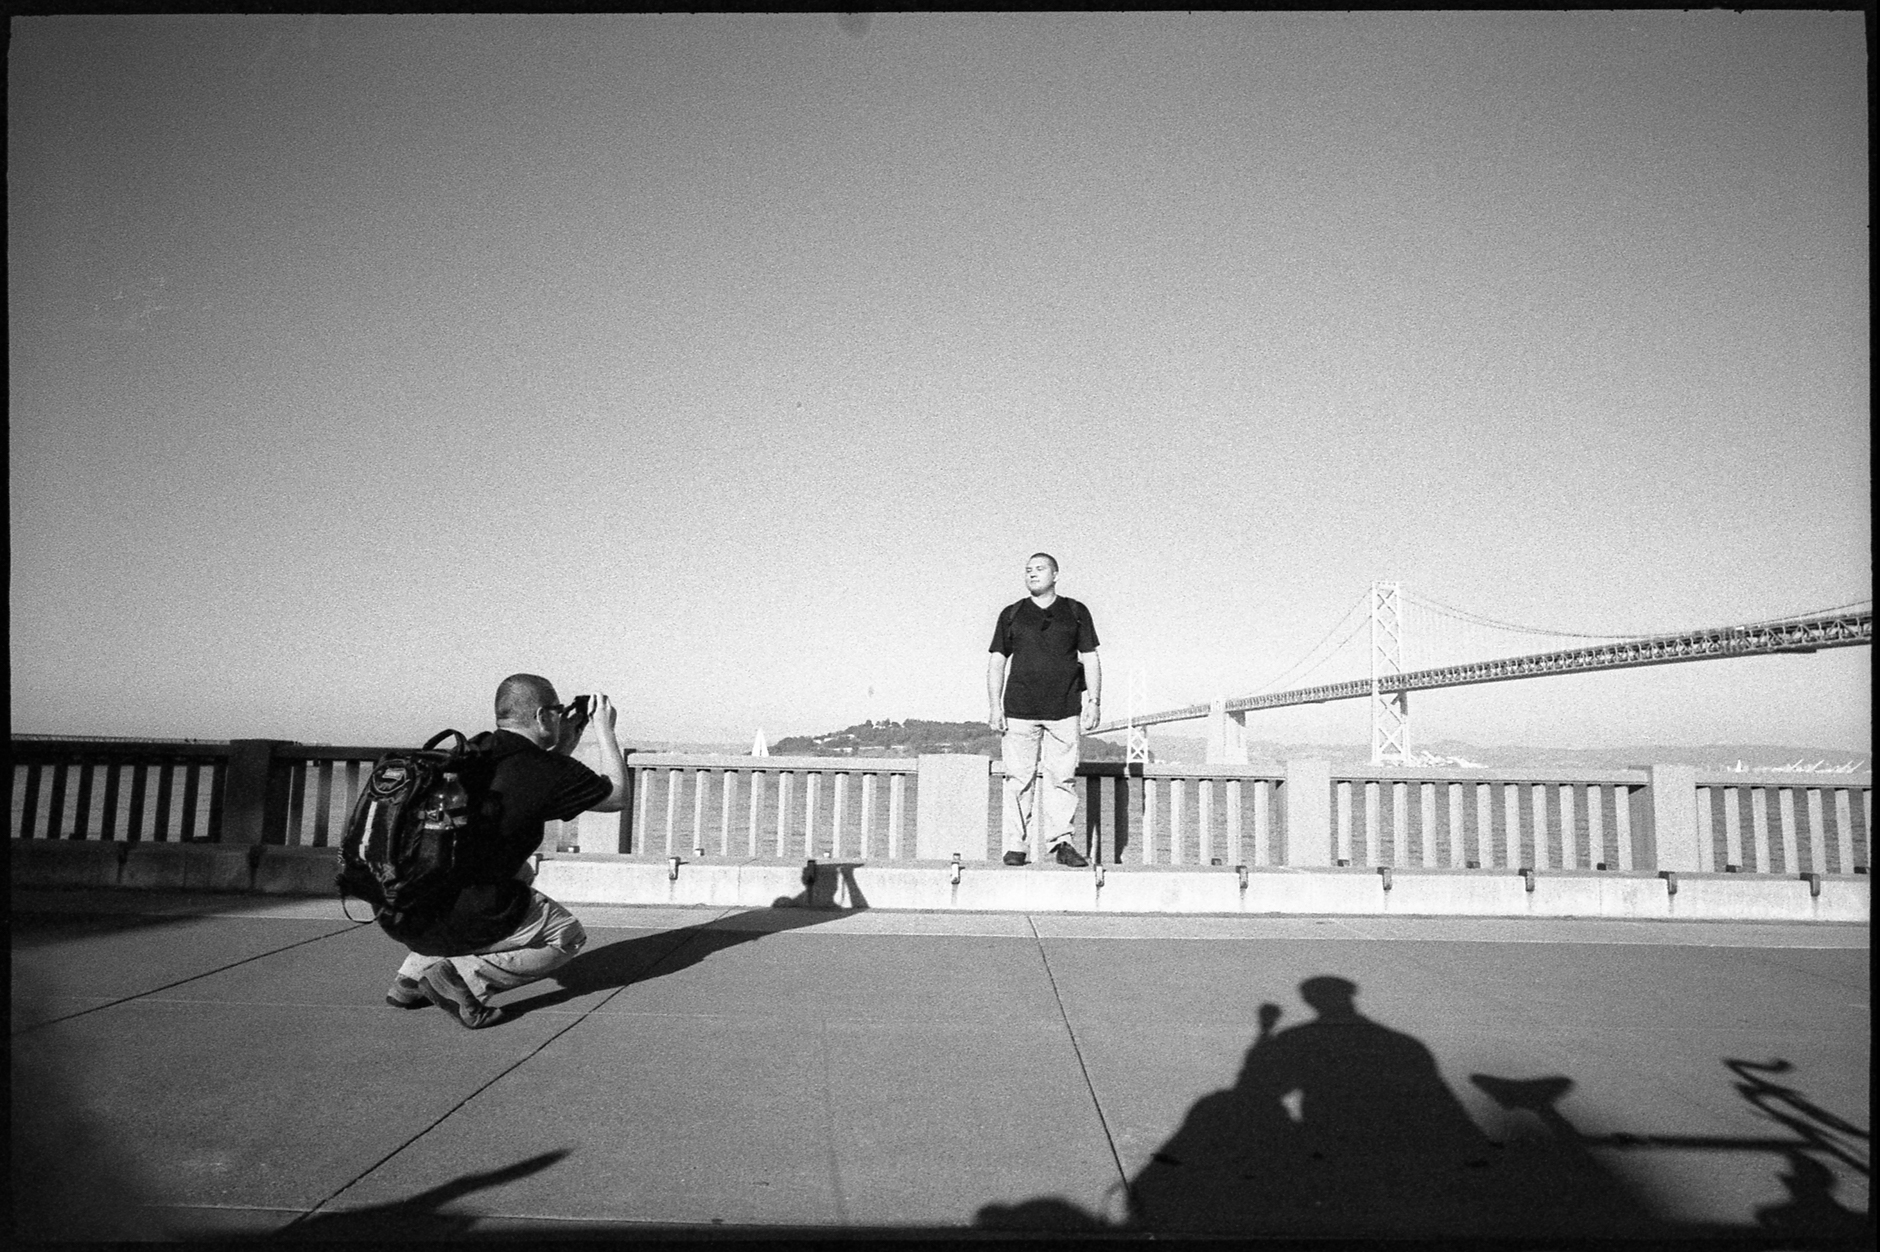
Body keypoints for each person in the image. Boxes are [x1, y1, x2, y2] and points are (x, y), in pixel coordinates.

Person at [384, 673, 628, 1029]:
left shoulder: (472, 751)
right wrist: (606, 731)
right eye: (558, 712)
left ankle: (408, 980)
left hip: (405, 906)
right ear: (544, 715)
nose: (561, 717)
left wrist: (561, 748)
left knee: (518, 873)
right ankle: (461, 978)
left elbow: (530, 786)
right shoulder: (547, 770)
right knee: (567, 936)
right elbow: (618, 797)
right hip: (462, 912)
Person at [987, 552, 1101, 867]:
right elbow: (998, 660)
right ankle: (1015, 847)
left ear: (1055, 574)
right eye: (1027, 570)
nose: (1032, 573)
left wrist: (1094, 701)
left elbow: (1090, 657)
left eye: (1039, 568)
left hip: (1065, 708)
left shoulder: (1075, 611)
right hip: (1019, 709)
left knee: (1062, 779)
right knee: (1017, 780)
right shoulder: (1012, 614)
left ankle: (1062, 843)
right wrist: (994, 706)